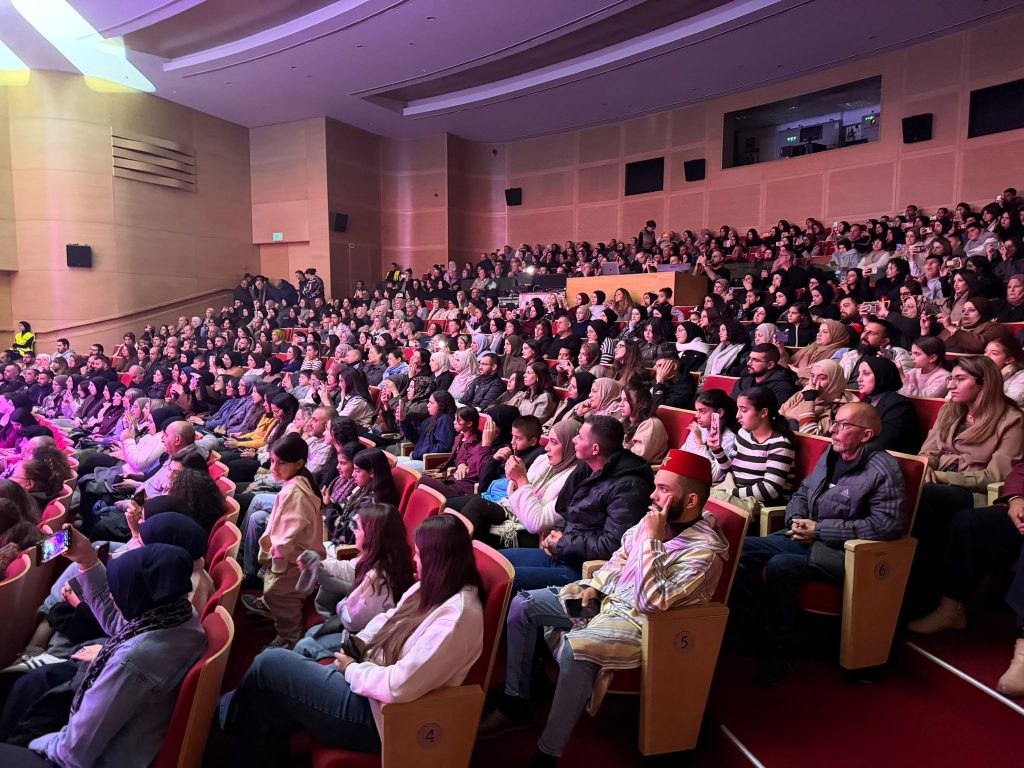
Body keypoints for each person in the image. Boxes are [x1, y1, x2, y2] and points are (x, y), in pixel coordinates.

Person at [477, 451, 729, 764]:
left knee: (576, 649)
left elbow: (651, 602)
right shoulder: (651, 522)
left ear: (691, 500)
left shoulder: (705, 553)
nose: (653, 495)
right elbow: (617, 561)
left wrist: (652, 542)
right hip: (605, 602)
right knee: (523, 605)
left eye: (664, 490)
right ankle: (516, 701)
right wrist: (594, 588)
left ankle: (547, 753)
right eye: (656, 486)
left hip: (641, 628)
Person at [219, 515, 484, 763]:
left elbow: (399, 685)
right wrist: (358, 644)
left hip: (382, 717)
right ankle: (256, 744)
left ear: (438, 560)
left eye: (419, 554)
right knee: (272, 692)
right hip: (369, 683)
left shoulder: (456, 619)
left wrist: (352, 670)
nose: (415, 560)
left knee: (270, 663)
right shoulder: (431, 587)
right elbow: (388, 619)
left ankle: (225, 713)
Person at [0, 529, 206, 768]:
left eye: (116, 591)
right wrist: (87, 561)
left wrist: (34, 744)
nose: (112, 596)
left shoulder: (131, 662)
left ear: (136, 598)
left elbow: (72, 753)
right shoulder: (177, 614)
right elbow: (119, 623)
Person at [731, 402, 905, 681]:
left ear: (866, 435)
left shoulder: (883, 469)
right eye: (834, 421)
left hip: (846, 554)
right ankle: (757, 628)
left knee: (781, 565)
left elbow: (887, 525)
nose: (833, 429)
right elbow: (802, 492)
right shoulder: (831, 454)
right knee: (738, 549)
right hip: (807, 538)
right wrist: (796, 518)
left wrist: (821, 530)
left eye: (843, 425)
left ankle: (780, 649)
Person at [499, 416, 653, 591]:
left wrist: (563, 543)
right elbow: (569, 510)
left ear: (595, 449)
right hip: (564, 554)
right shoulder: (587, 468)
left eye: (580, 437)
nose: (574, 440)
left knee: (503, 578)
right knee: (496, 562)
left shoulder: (629, 487)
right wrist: (558, 532)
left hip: (586, 569)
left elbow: (613, 545)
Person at [293, 504, 416, 660]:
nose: (354, 531)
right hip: (359, 627)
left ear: (372, 535)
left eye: (358, 528)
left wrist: (342, 602)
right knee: (311, 633)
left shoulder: (379, 578)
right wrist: (319, 565)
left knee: (304, 646)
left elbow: (353, 622)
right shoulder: (381, 556)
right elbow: (349, 568)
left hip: (364, 639)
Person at [242, 433, 325, 649]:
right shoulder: (296, 483)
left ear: (299, 463)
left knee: (284, 601)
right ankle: (269, 606)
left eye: (281, 463)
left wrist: (277, 560)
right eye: (272, 461)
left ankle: (289, 639)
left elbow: (289, 535)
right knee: (276, 593)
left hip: (292, 560)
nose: (274, 467)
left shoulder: (296, 492)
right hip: (290, 556)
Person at [707, 387, 795, 514]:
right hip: (737, 494)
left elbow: (769, 490)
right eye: (738, 409)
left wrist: (729, 493)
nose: (737, 415)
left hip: (763, 505)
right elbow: (731, 472)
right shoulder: (743, 434)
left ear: (763, 413)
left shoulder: (780, 444)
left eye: (744, 410)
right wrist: (717, 450)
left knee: (706, 498)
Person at [419, 406, 493, 499]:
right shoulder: (459, 437)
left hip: (459, 484)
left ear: (469, 423)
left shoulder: (477, 442)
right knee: (418, 479)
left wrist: (445, 474)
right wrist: (441, 471)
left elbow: (466, 463)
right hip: (450, 478)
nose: (454, 422)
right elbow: (456, 459)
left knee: (420, 480)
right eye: (454, 419)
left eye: (458, 421)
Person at [855, 354, 922, 453]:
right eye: (859, 374)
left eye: (866, 374)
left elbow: (885, 442)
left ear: (882, 375)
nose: (858, 379)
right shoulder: (866, 400)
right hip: (866, 453)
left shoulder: (900, 405)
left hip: (888, 458)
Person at [779, 359, 857, 435]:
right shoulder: (802, 394)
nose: (814, 381)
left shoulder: (840, 409)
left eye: (822, 378)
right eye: (812, 376)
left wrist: (809, 401)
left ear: (834, 382)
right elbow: (777, 417)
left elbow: (809, 435)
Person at [682, 389, 739, 482]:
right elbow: (682, 455)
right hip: (687, 477)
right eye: (697, 411)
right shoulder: (700, 429)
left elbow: (713, 475)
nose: (696, 416)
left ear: (719, 412)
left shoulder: (729, 438)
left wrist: (699, 444)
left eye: (702, 412)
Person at [396, 389, 456, 470]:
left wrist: (417, 453)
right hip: (419, 459)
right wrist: (403, 420)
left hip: (429, 463)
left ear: (441, 405)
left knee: (397, 469)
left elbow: (443, 447)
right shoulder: (429, 420)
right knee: (389, 463)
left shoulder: (445, 420)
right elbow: (415, 437)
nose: (428, 405)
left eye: (431, 403)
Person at [731, 343, 799, 405]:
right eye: (749, 358)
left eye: (755, 360)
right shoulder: (743, 381)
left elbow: (777, 412)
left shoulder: (783, 387)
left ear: (770, 365)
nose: (749, 363)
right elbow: (732, 406)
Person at [620, 383, 668, 463]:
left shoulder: (651, 425)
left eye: (626, 400)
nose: (620, 404)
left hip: (641, 468)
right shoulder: (623, 420)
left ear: (641, 403)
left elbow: (638, 458)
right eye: (621, 399)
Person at [984, 333, 1024, 406]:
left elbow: (1010, 403)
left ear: (1009, 360)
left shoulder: (1021, 378)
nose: (986, 356)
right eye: (985, 351)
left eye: (994, 353)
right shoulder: (980, 372)